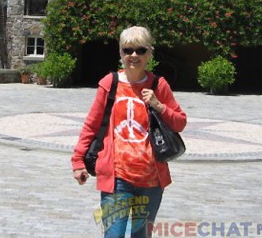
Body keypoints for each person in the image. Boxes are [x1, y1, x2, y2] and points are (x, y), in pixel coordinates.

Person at [72, 26, 187, 238]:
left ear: (149, 53)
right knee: (113, 235)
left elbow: (180, 123)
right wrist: (78, 161)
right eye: (128, 50)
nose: (134, 55)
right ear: (120, 53)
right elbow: (92, 125)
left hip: (151, 181)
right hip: (117, 179)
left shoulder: (158, 85)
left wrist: (158, 105)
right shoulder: (110, 83)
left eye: (140, 50)